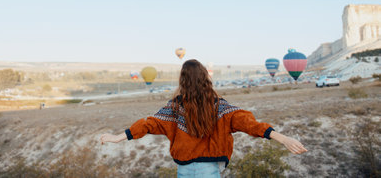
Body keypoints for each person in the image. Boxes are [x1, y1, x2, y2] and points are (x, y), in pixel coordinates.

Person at [100, 59, 307, 177]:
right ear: (205, 79)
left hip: (183, 169)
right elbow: (249, 124)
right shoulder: (220, 107)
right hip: (209, 169)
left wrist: (118, 137)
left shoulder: (173, 108)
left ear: (182, 80)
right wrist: (282, 138)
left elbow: (148, 124)